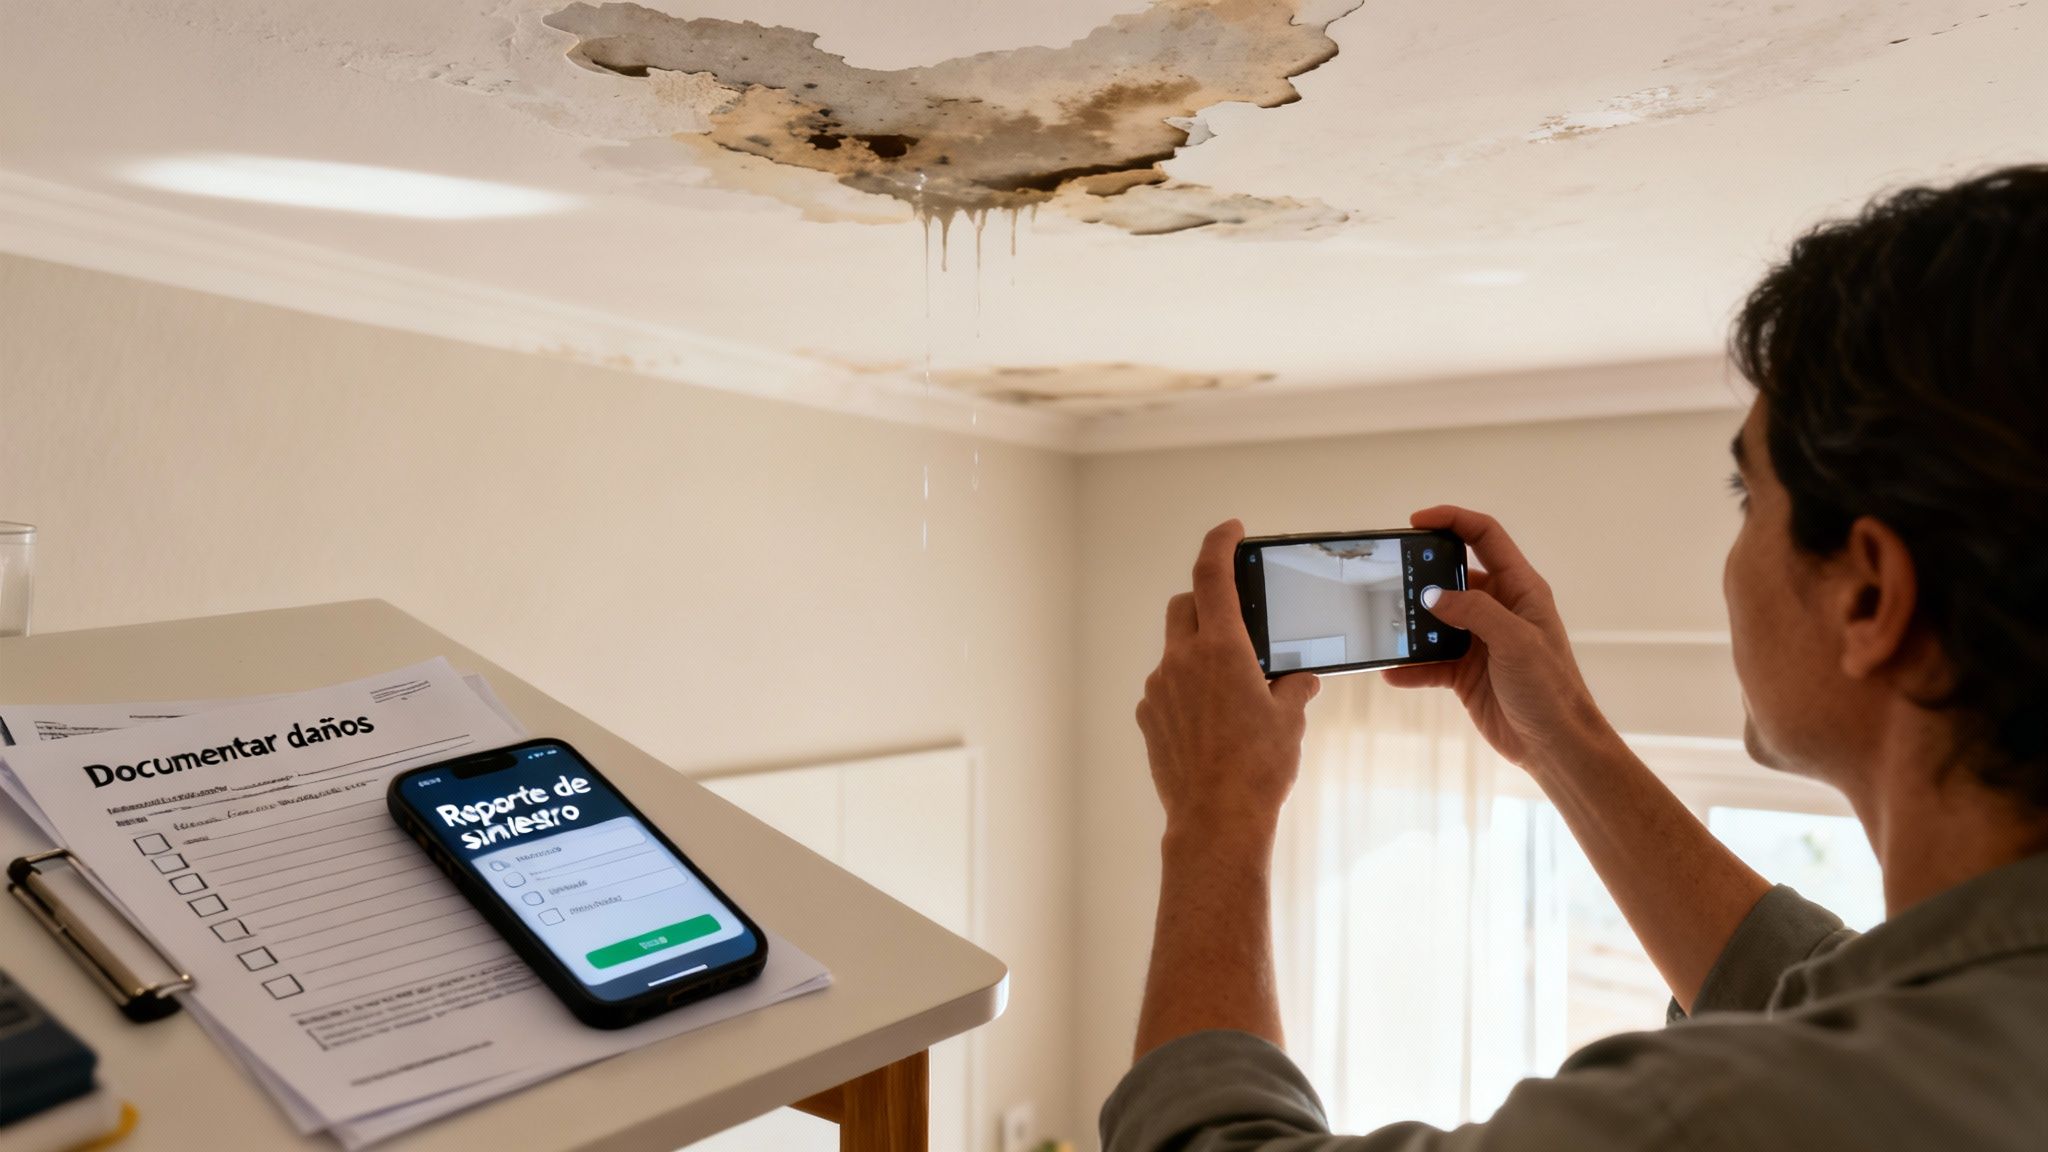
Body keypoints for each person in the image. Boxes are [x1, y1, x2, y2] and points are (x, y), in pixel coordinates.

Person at [1104, 165, 2048, 1151]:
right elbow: (1801, 986)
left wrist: (1216, 813)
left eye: (1750, 499)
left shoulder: (1727, 1119)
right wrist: (1564, 738)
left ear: (1867, 596)